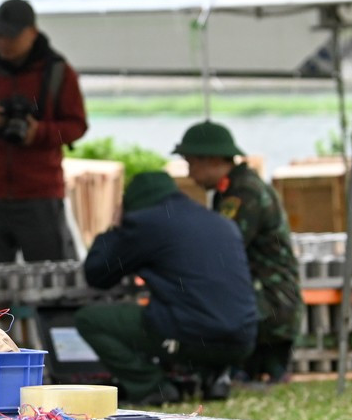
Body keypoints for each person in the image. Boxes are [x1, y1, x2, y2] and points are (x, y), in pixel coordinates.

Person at [74, 171, 258, 406]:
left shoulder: (146, 223)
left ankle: (152, 386)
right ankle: (212, 376)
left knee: (90, 319)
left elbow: (97, 273)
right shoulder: (219, 221)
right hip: (243, 340)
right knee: (190, 311)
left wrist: (114, 228)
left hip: (191, 336)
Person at [0, 0, 88, 264]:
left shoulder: (59, 72)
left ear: (32, 32)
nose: (4, 42)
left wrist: (39, 133)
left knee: (52, 283)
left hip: (40, 195)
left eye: (11, 36)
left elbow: (76, 126)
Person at [175, 121, 301, 383]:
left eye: (192, 164)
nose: (190, 174)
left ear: (211, 160)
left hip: (269, 304)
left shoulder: (243, 192)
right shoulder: (234, 189)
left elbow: (222, 248)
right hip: (265, 303)